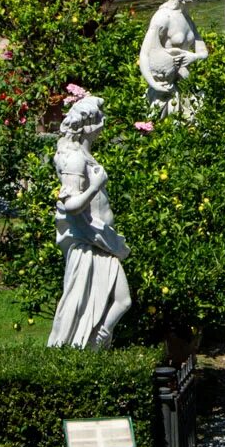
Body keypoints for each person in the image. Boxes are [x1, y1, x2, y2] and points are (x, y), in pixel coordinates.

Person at [48, 95, 131, 350]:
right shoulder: (75, 159)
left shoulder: (84, 154)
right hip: (89, 243)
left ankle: (96, 343)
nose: (104, 122)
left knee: (123, 300)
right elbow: (70, 205)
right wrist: (95, 186)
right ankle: (80, 348)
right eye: (100, 117)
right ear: (90, 125)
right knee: (82, 302)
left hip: (102, 242)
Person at [139, 0, 209, 119]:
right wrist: (153, 83)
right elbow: (145, 54)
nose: (196, 3)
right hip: (166, 86)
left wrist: (193, 57)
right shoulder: (163, 17)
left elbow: (203, 52)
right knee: (162, 130)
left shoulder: (186, 17)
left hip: (185, 82)